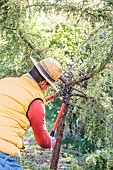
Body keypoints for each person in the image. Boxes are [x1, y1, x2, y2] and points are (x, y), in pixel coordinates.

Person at [0, 57, 63, 170]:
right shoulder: (36, 101)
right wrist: (50, 143)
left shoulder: (5, 82)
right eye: (48, 86)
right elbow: (42, 141)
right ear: (43, 83)